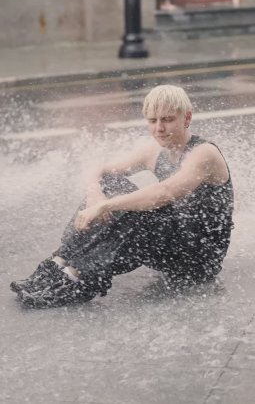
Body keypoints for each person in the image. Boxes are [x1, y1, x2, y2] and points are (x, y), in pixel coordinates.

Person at [10, 85, 234, 308]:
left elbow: (164, 193)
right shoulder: (154, 151)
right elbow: (100, 169)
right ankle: (58, 263)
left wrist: (106, 206)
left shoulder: (204, 153)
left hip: (196, 260)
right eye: (152, 121)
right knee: (110, 184)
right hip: (170, 244)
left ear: (187, 117)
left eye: (167, 119)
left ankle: (80, 279)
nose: (159, 128)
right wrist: (95, 195)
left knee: (140, 210)